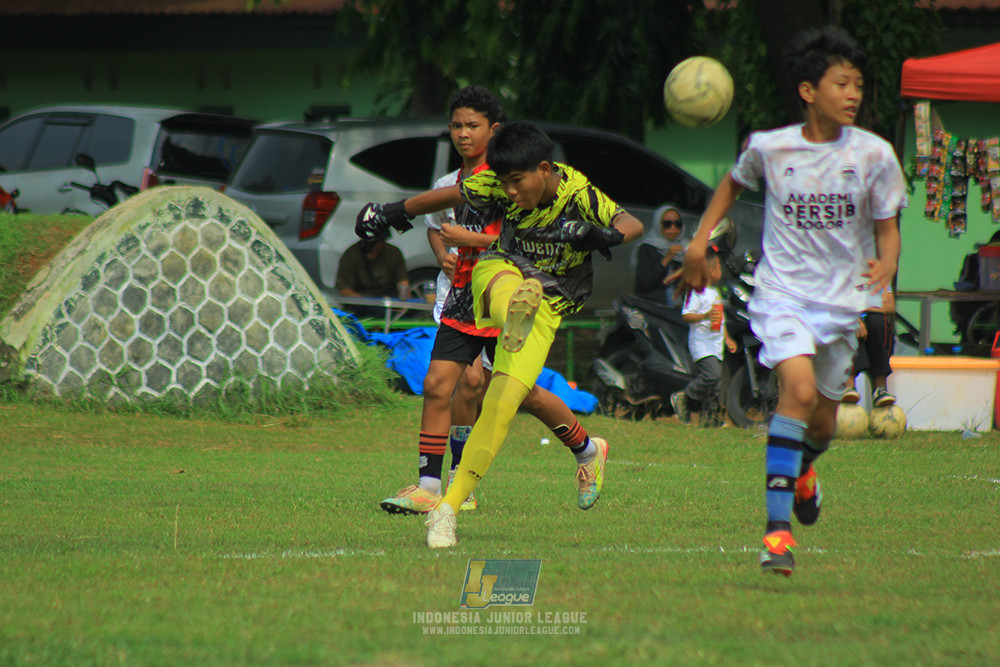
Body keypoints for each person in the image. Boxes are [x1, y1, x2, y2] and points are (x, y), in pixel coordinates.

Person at [680, 26, 907, 576]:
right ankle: (776, 532)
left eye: (857, 84)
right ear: (809, 91)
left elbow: (887, 226)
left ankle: (804, 470)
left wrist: (888, 265)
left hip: (840, 300)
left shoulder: (874, 154)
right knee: (797, 392)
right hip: (782, 292)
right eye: (841, 83)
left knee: (825, 424)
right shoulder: (771, 147)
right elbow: (732, 185)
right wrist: (697, 241)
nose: (853, 94)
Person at [357, 120, 644, 548]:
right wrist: (395, 210)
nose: (509, 191)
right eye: (504, 183)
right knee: (502, 281)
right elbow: (450, 194)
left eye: (517, 182)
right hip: (500, 273)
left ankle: (448, 508)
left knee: (503, 403)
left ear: (544, 169)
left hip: (551, 302)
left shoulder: (578, 191)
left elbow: (632, 224)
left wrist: (600, 234)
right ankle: (515, 306)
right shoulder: (495, 181)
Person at [670, 247, 738, 427]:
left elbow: (719, 319)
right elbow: (687, 315)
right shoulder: (695, 291)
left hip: (716, 345)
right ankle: (686, 397)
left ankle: (711, 421)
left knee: (716, 386)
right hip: (702, 344)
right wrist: (705, 316)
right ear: (712, 270)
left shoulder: (715, 293)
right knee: (712, 375)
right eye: (718, 266)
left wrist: (727, 338)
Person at [842, 289, 896, 407]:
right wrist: (855, 316)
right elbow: (837, 302)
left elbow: (889, 306)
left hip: (870, 326)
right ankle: (848, 387)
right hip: (845, 321)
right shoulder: (843, 273)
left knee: (877, 321)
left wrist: (856, 306)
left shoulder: (878, 274)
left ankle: (880, 389)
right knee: (849, 324)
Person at [633, 204, 687, 304]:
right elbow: (643, 285)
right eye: (667, 224)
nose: (673, 228)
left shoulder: (684, 247)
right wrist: (666, 259)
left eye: (678, 224)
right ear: (658, 225)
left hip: (679, 305)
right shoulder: (647, 248)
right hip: (654, 304)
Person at [335, 231, 410, 300]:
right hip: (361, 300)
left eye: (379, 241)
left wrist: (403, 300)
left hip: (388, 298)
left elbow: (403, 282)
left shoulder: (393, 253)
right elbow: (345, 291)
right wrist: (367, 303)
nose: (376, 245)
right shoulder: (351, 255)